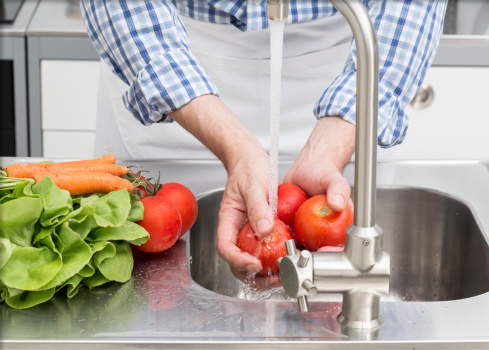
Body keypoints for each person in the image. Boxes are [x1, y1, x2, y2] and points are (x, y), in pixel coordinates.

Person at [81, 1, 447, 276]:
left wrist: (335, 140)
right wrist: (234, 148)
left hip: (346, 53)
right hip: (166, 54)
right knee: (155, 282)